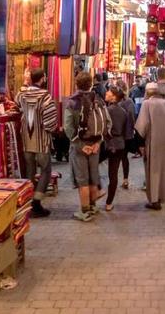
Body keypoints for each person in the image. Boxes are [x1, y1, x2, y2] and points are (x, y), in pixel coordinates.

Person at [63, 72, 108, 222]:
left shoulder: (72, 102)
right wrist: (98, 143)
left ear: (76, 84)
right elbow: (107, 123)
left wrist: (79, 145)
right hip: (95, 145)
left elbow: (68, 127)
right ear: (90, 84)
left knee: (82, 180)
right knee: (93, 177)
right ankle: (94, 206)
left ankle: (84, 211)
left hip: (79, 146)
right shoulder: (99, 100)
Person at [16, 68, 59, 217]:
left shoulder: (22, 94)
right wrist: (51, 129)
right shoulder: (45, 96)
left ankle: (28, 202)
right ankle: (36, 202)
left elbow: (17, 103)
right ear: (41, 79)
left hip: (27, 139)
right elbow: (50, 119)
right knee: (45, 171)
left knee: (30, 170)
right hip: (41, 139)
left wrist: (24, 85)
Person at [136, 82, 165, 210]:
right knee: (164, 170)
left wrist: (140, 145)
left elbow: (142, 125)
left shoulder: (146, 104)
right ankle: (161, 196)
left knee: (153, 170)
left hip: (152, 141)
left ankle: (154, 200)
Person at [103, 87, 132, 210]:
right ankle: (109, 203)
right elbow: (127, 133)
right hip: (119, 144)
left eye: (109, 91)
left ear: (114, 97)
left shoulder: (106, 111)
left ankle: (95, 194)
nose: (106, 92)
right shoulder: (124, 112)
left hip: (107, 143)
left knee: (92, 168)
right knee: (113, 175)